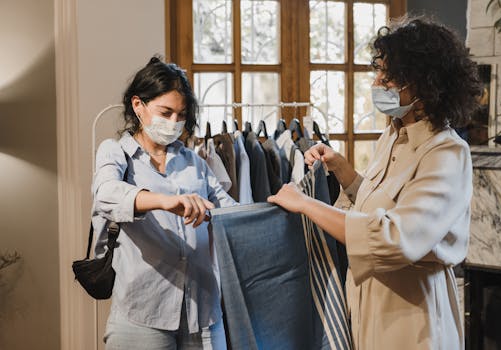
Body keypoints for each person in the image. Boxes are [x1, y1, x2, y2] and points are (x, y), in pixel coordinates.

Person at [268, 17, 481, 350]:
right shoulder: (392, 134)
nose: (379, 81)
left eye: (391, 75)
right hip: (371, 304)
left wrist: (306, 203)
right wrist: (343, 171)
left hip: (413, 315)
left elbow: (393, 237)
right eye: (380, 70)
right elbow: (380, 204)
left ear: (426, 83)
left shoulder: (447, 153)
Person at [92, 56, 236, 349]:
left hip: (204, 313)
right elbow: (106, 195)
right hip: (142, 313)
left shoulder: (194, 162)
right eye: (165, 112)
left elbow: (231, 211)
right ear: (138, 106)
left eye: (180, 115)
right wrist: (165, 201)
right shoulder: (115, 153)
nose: (174, 123)